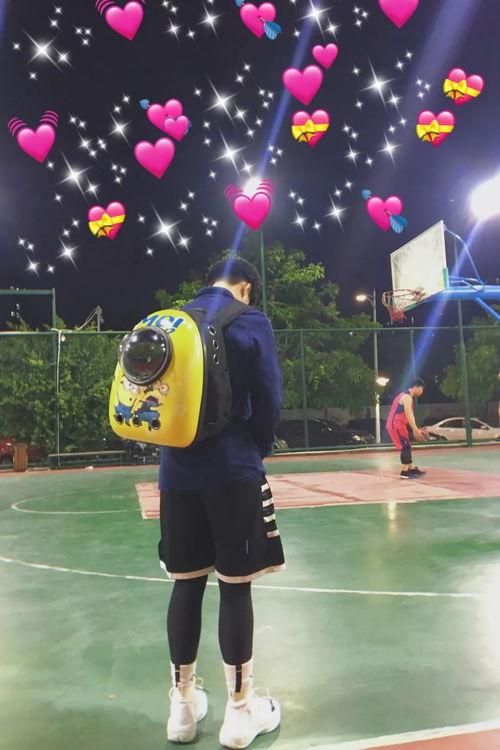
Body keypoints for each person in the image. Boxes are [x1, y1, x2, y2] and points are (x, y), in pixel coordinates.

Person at [158, 257, 285, 748]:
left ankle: (182, 707)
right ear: (246, 287)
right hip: (233, 469)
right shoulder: (250, 321)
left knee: (186, 585)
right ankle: (240, 710)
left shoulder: (175, 321)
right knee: (235, 587)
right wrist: (256, 447)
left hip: (176, 472)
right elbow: (269, 396)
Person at [387, 378, 427, 479]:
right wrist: (415, 429)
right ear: (416, 387)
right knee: (405, 446)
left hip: (398, 424)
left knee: (407, 445)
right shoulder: (407, 397)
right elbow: (409, 415)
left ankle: (411, 467)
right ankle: (404, 471)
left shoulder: (404, 396)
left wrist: (415, 428)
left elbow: (408, 416)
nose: (422, 392)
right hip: (396, 424)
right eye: (422, 389)